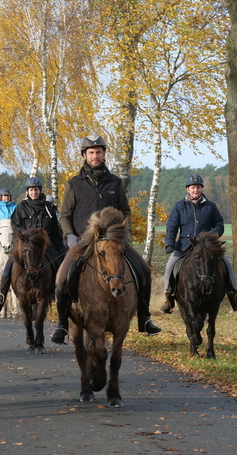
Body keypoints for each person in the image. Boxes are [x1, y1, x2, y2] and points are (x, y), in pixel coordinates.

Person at [50, 135, 161, 344]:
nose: (95, 155)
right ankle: (62, 324)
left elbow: (125, 211)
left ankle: (145, 318)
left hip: (113, 242)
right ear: (84, 155)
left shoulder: (115, 182)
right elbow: (65, 215)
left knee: (144, 270)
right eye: (91, 152)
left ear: (104, 154)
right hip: (83, 240)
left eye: (98, 152)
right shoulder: (74, 184)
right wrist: (71, 235)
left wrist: (123, 233)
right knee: (63, 278)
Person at [161, 174, 237, 313]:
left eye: (198, 187)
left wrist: (212, 235)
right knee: (170, 266)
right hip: (185, 244)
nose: (195, 190)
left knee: (226, 263)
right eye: (193, 187)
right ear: (188, 189)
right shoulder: (179, 206)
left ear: (201, 188)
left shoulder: (210, 206)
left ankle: (233, 293)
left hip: (206, 245)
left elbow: (219, 224)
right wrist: (169, 243)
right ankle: (168, 297)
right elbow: (172, 226)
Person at [0, 177, 66, 311]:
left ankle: (60, 292)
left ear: (39, 191)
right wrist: (24, 235)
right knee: (10, 263)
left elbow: (54, 229)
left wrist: (59, 247)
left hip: (45, 246)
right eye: (31, 190)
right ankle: (1, 294)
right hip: (26, 244)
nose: (34, 192)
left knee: (59, 261)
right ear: (28, 192)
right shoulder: (21, 207)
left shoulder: (48, 208)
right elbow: (15, 223)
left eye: (36, 190)